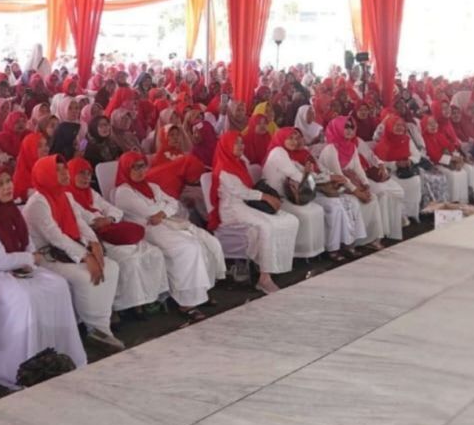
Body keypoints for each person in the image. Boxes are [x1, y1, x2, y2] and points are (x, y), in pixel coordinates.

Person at [0, 166, 87, 390]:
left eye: (8, 181)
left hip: (15, 266)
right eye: (0, 184)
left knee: (57, 286)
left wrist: (29, 257)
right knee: (24, 299)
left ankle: (58, 357)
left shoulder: (10, 210)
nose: (7, 187)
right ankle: (22, 368)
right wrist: (29, 257)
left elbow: (27, 242)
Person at [22, 156, 123, 350]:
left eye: (65, 169)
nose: (64, 173)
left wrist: (94, 244)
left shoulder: (65, 195)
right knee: (86, 275)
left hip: (69, 251)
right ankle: (96, 329)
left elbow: (80, 223)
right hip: (47, 257)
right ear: (46, 174)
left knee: (112, 267)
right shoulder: (37, 203)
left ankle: (101, 325)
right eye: (58, 170)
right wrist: (86, 256)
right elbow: (55, 237)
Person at [107, 152, 221, 320]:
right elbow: (149, 212)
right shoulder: (123, 192)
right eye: (134, 167)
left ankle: (200, 292)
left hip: (164, 224)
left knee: (202, 241)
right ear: (125, 169)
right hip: (147, 230)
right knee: (189, 248)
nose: (140, 171)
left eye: (142, 166)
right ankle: (186, 302)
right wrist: (163, 210)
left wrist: (162, 212)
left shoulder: (152, 187)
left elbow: (174, 203)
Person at [64, 158, 167, 316]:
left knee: (153, 253)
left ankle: (151, 297)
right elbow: (83, 220)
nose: (86, 178)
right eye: (81, 173)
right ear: (71, 174)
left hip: (112, 230)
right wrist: (96, 221)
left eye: (88, 173)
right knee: (130, 260)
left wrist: (109, 219)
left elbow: (115, 211)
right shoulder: (68, 197)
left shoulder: (91, 193)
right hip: (97, 238)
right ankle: (132, 305)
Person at [211, 130, 300, 294]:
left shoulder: (238, 162)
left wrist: (264, 198)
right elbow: (241, 192)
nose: (241, 146)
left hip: (244, 204)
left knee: (288, 220)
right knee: (266, 226)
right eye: (236, 143)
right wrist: (266, 197)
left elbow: (246, 190)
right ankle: (264, 279)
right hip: (232, 209)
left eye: (241, 142)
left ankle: (277, 265)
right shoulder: (223, 168)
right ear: (226, 146)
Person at [317, 116, 403, 247]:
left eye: (352, 127)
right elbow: (338, 174)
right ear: (337, 128)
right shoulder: (330, 149)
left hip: (347, 185)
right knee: (356, 202)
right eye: (346, 126)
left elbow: (358, 168)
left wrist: (366, 185)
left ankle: (371, 238)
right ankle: (351, 242)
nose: (350, 130)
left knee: (372, 197)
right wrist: (357, 191)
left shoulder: (351, 146)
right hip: (333, 188)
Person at [259, 127, 342, 261]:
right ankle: (301, 254)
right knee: (308, 214)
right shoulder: (278, 152)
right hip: (276, 198)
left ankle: (316, 251)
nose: (294, 142)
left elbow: (303, 173)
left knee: (318, 210)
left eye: (296, 138)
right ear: (281, 138)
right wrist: (317, 177)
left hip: (288, 196)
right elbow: (297, 176)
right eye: (290, 138)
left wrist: (314, 175)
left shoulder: (287, 154)